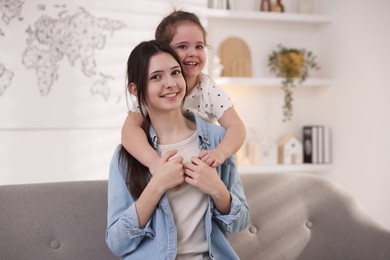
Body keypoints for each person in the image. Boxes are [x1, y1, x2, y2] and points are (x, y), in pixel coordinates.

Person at [105, 40, 249, 259]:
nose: (170, 83)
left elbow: (240, 223)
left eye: (175, 73)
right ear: (135, 89)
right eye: (156, 77)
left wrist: (218, 189)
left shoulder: (218, 141)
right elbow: (117, 243)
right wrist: (157, 185)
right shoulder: (127, 156)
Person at [121, 10, 246, 176]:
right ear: (163, 51)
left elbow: (237, 127)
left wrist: (220, 152)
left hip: (198, 159)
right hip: (167, 156)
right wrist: (154, 163)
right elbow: (129, 131)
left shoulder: (207, 88)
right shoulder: (151, 92)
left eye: (199, 46)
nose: (193, 52)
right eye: (182, 46)